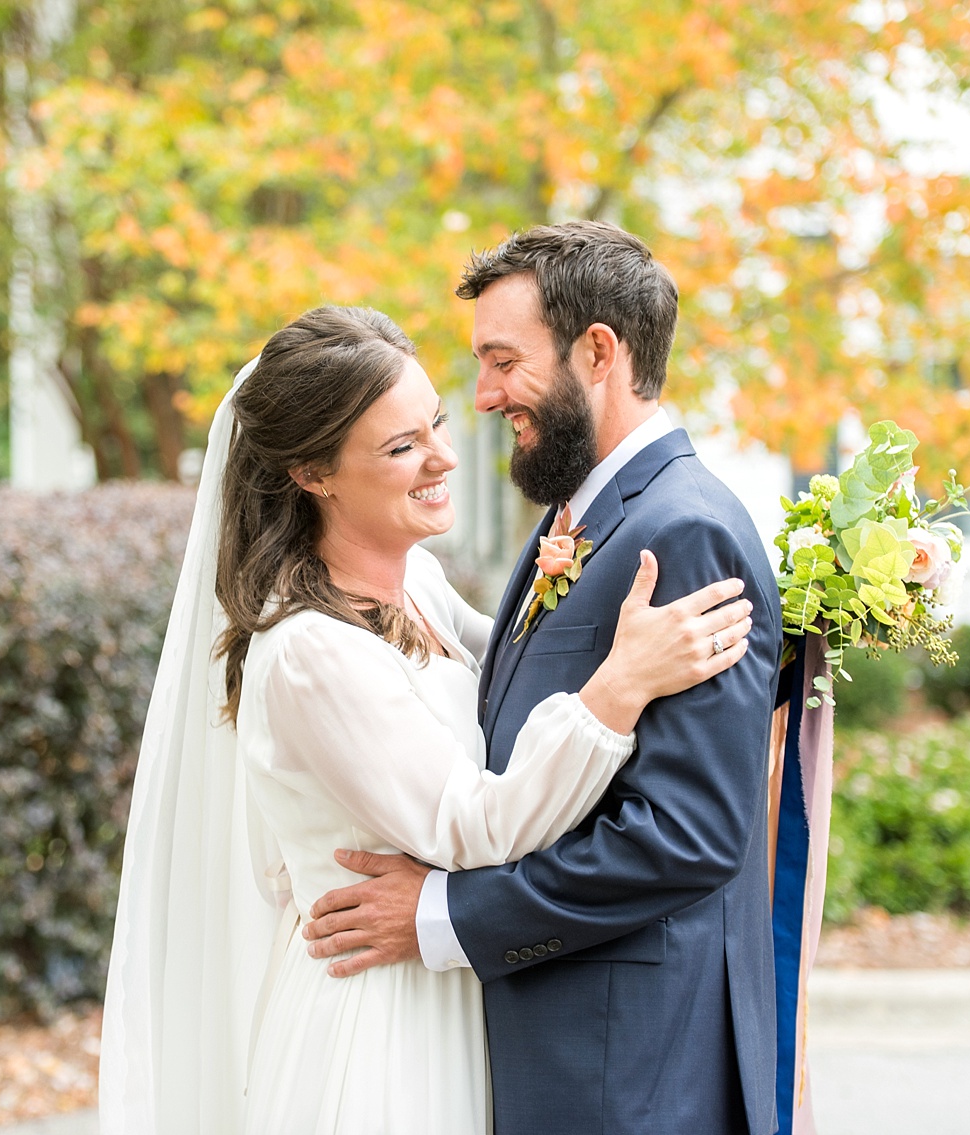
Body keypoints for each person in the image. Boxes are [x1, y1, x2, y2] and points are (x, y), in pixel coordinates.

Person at [98, 302, 755, 1135]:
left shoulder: (420, 589)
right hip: (378, 1024)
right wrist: (621, 688)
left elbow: (524, 678)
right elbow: (474, 824)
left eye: (435, 423)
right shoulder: (309, 652)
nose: (444, 456)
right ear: (313, 472)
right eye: (401, 447)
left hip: (450, 995)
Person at [301, 222, 784, 1134]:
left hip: (632, 1068)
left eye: (502, 360)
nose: (483, 396)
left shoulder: (682, 532)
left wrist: (445, 916)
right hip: (569, 1055)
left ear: (597, 351)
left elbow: (685, 835)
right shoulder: (585, 515)